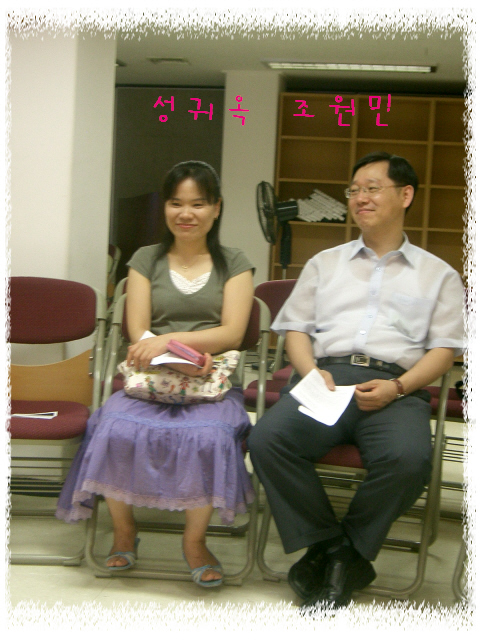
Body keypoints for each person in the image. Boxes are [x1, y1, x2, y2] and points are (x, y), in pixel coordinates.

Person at [248, 151, 464, 609]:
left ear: (405, 195)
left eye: (372, 188)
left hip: (396, 386)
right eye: (354, 190)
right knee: (267, 439)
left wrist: (398, 387)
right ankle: (335, 550)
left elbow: (444, 350)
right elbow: (296, 330)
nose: (360, 198)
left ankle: (342, 553)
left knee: (409, 459)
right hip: (326, 377)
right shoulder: (324, 263)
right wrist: (311, 372)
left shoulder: (439, 276)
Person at [56, 160, 255, 587]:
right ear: (165, 207)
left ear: (216, 208)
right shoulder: (146, 259)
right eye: (176, 203)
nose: (186, 213)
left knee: (211, 436)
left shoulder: (235, 262)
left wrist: (171, 341)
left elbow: (232, 333)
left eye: (198, 204)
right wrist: (166, 350)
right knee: (112, 427)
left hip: (211, 383)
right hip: (150, 379)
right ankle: (124, 532)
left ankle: (194, 542)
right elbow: (137, 330)